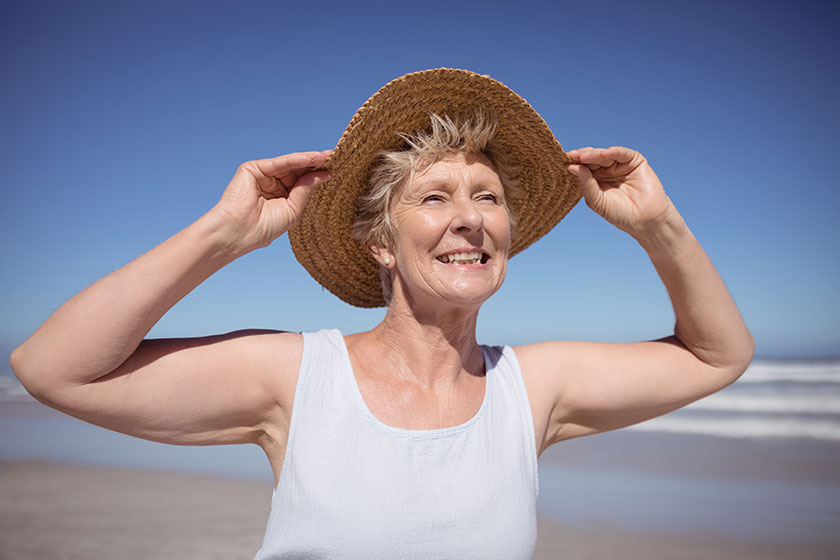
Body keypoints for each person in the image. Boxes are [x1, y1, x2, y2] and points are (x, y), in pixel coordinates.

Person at [10, 68, 754, 559]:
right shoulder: (297, 377)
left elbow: (717, 355)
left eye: (488, 198)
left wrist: (660, 227)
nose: (472, 220)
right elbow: (52, 370)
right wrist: (222, 235)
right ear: (380, 243)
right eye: (435, 198)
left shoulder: (532, 389)